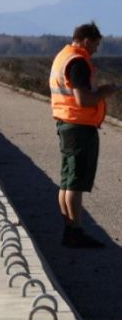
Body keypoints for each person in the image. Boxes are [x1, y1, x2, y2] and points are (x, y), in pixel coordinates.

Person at [49, 22, 118, 248]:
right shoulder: (78, 62)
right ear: (87, 40)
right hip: (79, 127)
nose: (96, 50)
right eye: (96, 45)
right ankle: (75, 231)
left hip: (66, 123)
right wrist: (104, 92)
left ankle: (70, 228)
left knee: (67, 181)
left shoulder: (64, 56)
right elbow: (83, 100)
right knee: (75, 183)